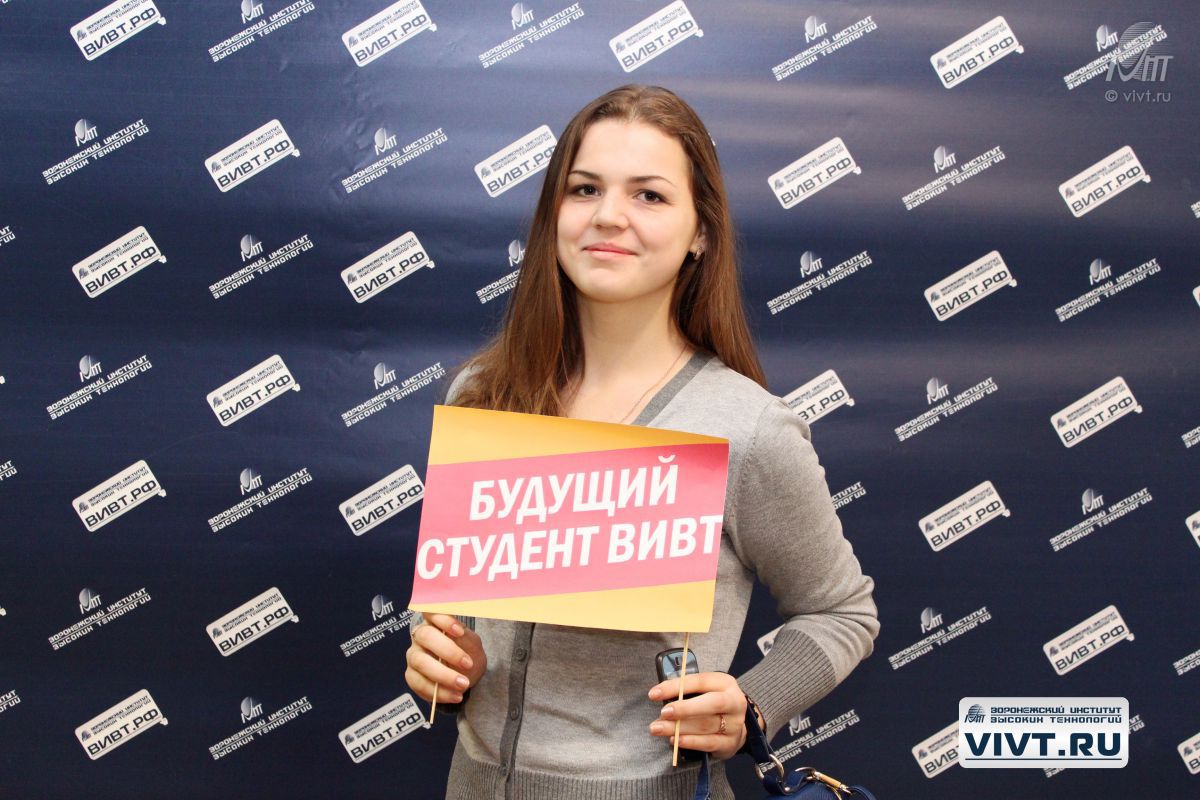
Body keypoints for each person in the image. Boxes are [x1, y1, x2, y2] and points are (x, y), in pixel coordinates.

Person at [406, 84, 878, 800]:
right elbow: (451, 607)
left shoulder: (746, 427)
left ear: (700, 233)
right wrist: (441, 655)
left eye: (649, 195)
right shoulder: (482, 393)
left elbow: (842, 612)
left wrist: (752, 705)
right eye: (585, 189)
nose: (608, 216)